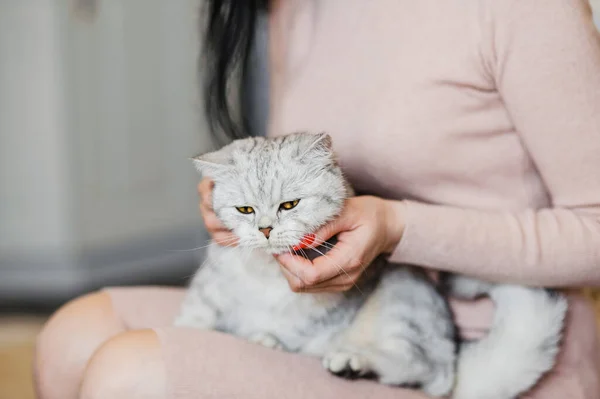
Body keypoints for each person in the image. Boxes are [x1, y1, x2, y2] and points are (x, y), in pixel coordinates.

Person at [34, 0, 600, 398]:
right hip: (313, 321)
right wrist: (237, 195)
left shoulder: (525, 8)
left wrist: (398, 228)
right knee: (70, 337)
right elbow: (296, 162)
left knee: (130, 375)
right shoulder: (297, 7)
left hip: (488, 356)